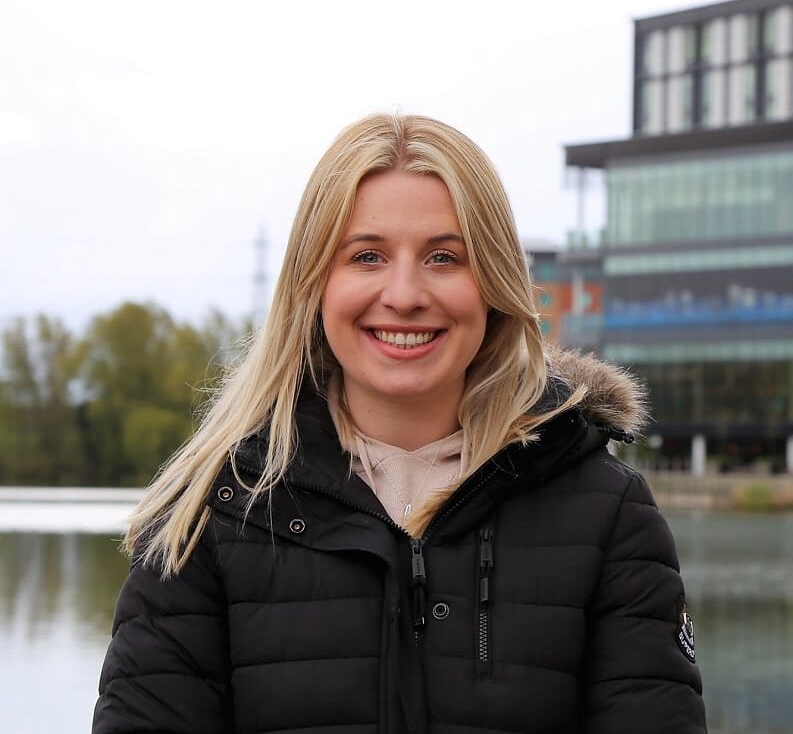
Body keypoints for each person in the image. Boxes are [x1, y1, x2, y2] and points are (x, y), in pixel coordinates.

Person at [93, 114, 707, 734]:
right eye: (367, 256)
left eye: (445, 257)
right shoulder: (211, 513)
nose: (406, 293)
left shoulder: (608, 514)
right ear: (314, 285)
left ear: (493, 284)